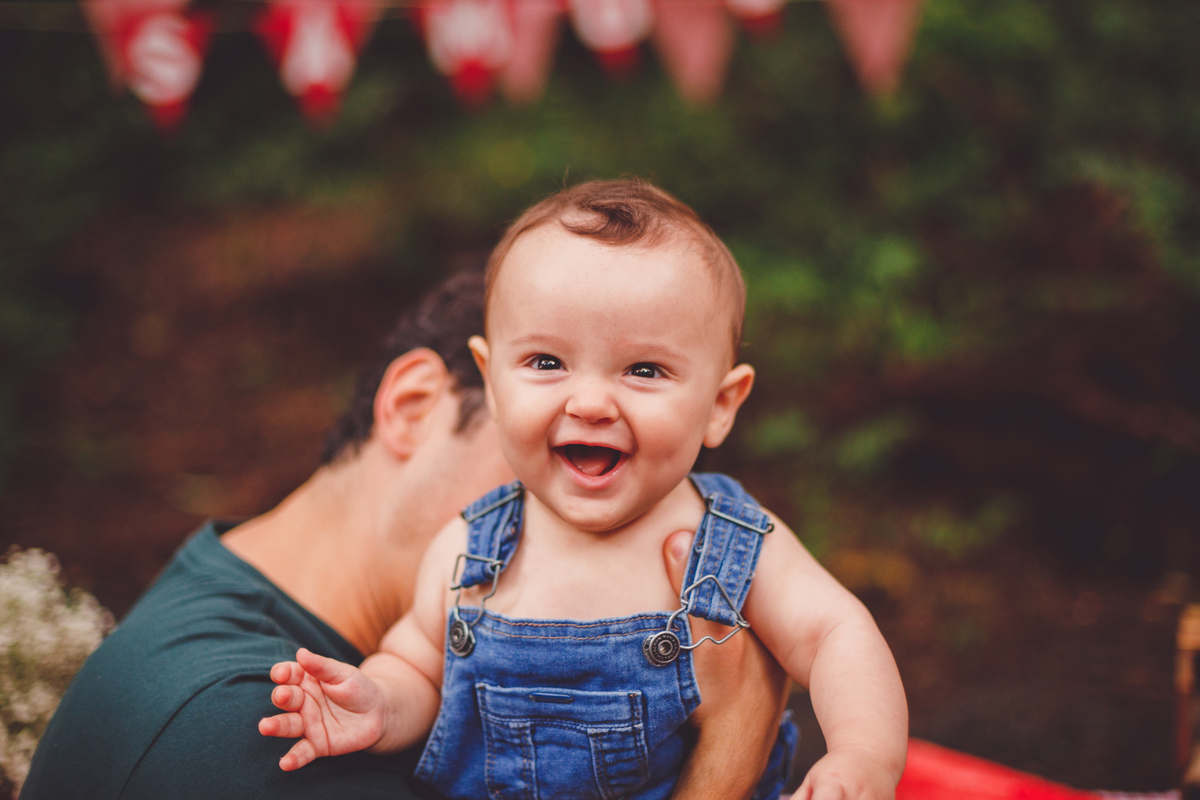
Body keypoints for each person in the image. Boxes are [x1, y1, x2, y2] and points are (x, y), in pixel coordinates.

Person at [20, 269, 791, 800]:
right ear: (417, 406)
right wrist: (736, 730)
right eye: (551, 463)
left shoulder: (238, 620)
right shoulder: (269, 730)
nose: (599, 525)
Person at [258, 180, 909, 800]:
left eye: (644, 369)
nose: (592, 401)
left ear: (720, 403)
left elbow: (835, 634)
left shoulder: (730, 545)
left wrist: (862, 754)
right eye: (547, 362)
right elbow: (417, 665)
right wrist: (376, 703)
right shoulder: (470, 550)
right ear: (490, 379)